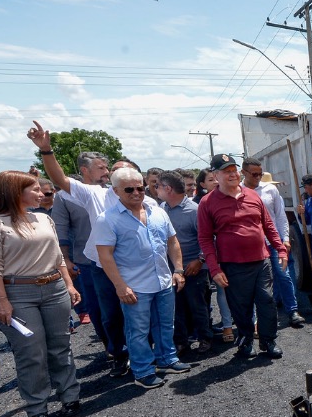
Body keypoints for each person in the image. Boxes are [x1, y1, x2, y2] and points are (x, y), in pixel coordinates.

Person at [29, 121, 158, 378]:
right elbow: (59, 179)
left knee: (143, 311)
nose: (111, 171)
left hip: (137, 266)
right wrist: (46, 151)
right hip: (102, 267)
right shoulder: (94, 195)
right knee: (110, 314)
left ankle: (145, 354)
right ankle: (119, 356)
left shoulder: (145, 200)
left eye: (119, 170)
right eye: (107, 169)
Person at [0, 171, 82, 417]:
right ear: (13, 192)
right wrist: (0, 301)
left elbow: (58, 256)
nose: (40, 193)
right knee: (31, 352)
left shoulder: (43, 218)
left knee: (60, 344)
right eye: (33, 189)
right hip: (17, 294)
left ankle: (70, 396)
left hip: (54, 288)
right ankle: (37, 408)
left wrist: (68, 284)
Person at [93, 168, 192, 389]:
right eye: (129, 189)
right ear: (116, 191)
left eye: (140, 187)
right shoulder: (107, 219)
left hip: (163, 281)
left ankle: (167, 359)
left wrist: (178, 269)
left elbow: (172, 241)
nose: (137, 192)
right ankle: (143, 371)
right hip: (135, 286)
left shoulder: (158, 212)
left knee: (166, 325)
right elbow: (105, 256)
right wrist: (120, 286)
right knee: (137, 332)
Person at [198, 154, 287, 360]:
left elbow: (268, 225)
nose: (232, 174)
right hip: (233, 266)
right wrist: (214, 268)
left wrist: (280, 249)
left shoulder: (252, 195)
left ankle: (268, 340)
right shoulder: (207, 203)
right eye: (226, 171)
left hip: (261, 261)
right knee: (241, 306)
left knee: (267, 301)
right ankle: (246, 339)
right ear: (215, 175)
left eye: (234, 170)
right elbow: (204, 238)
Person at [242, 159, 305, 328]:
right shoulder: (238, 192)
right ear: (244, 173)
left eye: (260, 174)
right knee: (256, 282)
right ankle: (256, 319)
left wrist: (284, 238)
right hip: (252, 245)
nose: (257, 177)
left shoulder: (270, 190)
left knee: (283, 275)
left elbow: (280, 216)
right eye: (254, 174)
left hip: (273, 241)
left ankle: (292, 310)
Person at [157, 170, 213, 354]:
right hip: (171, 269)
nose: (156, 190)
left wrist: (199, 260)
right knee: (176, 307)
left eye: (159, 186)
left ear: (168, 188)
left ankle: (205, 338)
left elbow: (208, 239)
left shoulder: (195, 210)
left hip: (194, 267)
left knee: (198, 306)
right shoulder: (160, 210)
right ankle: (181, 341)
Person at [51, 182, 106, 339]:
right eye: (101, 167)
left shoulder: (111, 192)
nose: (107, 171)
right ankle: (111, 346)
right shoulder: (63, 198)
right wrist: (66, 259)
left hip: (119, 259)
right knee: (97, 305)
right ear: (85, 169)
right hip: (88, 261)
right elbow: (60, 230)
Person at [195, 168, 234, 341]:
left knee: (247, 291)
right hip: (213, 256)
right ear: (202, 184)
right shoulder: (200, 204)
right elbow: (203, 236)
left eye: (216, 179)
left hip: (235, 253)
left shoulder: (232, 197)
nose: (215, 182)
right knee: (223, 291)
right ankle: (227, 326)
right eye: (211, 180)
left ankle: (251, 322)